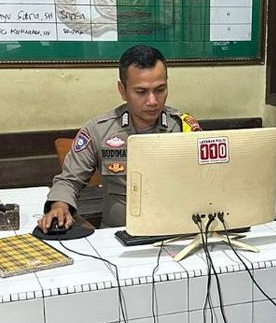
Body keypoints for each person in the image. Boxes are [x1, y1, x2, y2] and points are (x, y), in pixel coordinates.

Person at [39, 44, 200, 231]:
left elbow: (210, 180)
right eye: (141, 92)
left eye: (160, 89)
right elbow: (68, 181)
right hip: (118, 237)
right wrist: (60, 207)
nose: (153, 101)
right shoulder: (100, 130)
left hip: (177, 231)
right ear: (122, 90)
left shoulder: (184, 128)